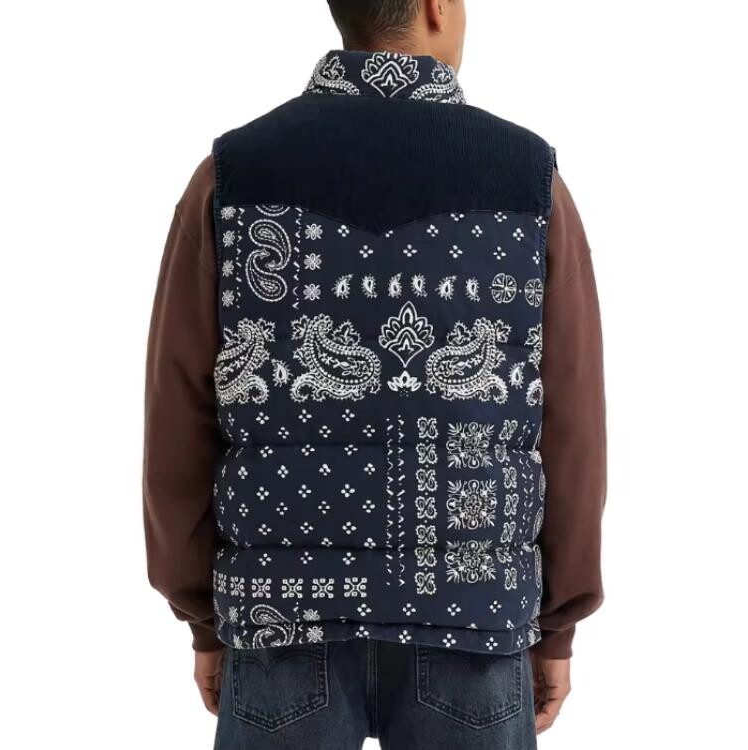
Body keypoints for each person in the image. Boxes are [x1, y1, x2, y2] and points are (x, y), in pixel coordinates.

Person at [143, 1, 606, 747]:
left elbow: (177, 415)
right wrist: (558, 626)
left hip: (281, 622)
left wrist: (203, 615)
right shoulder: (530, 181)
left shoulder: (230, 176)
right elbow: (573, 424)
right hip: (473, 622)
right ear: (435, 6)